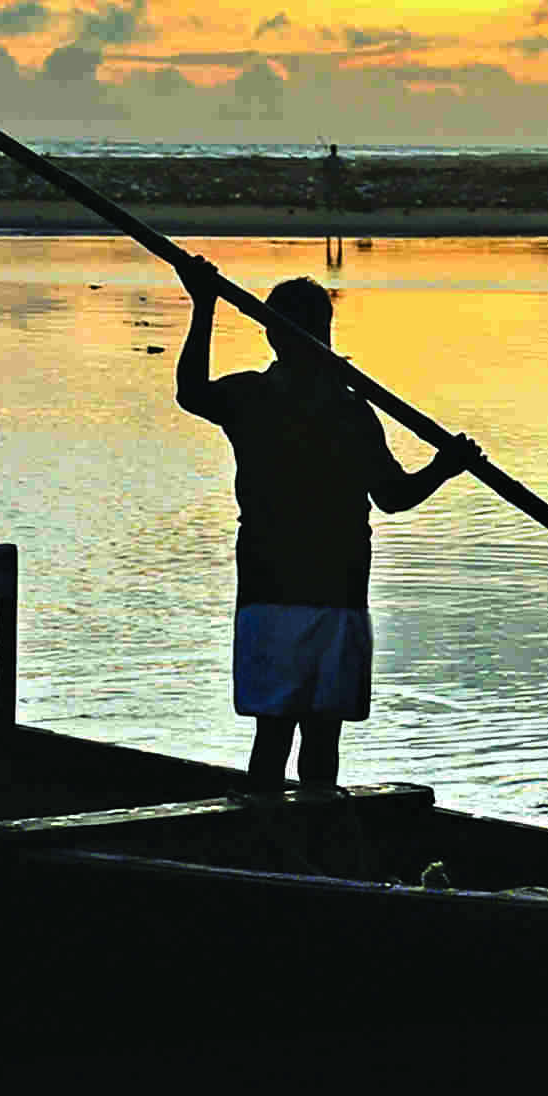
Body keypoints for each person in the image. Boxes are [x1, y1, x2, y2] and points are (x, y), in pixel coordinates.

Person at [175, 263, 476, 791]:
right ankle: (292, 850)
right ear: (322, 334)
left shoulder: (300, 403)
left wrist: (204, 305)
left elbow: (192, 391)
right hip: (317, 592)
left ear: (272, 335)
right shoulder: (339, 408)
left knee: (283, 739)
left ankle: (286, 848)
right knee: (314, 741)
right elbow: (395, 497)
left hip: (290, 593)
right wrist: (441, 468)